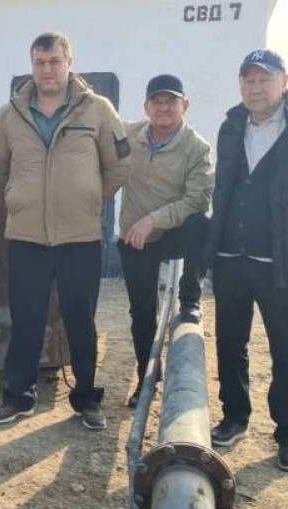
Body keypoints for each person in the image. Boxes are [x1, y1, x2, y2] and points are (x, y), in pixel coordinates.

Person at [203, 49, 288, 473]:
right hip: (231, 259)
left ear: (284, 82)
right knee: (230, 344)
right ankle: (234, 417)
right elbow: (225, 187)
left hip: (282, 264)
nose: (255, 87)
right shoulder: (231, 126)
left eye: (264, 79)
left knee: (287, 350)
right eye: (248, 80)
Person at [0, 33, 130, 430]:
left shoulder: (97, 110)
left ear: (69, 62)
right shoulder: (10, 115)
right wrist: (17, 196)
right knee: (26, 319)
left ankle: (86, 399)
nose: (47, 69)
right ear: (32, 65)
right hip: (27, 238)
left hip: (79, 238)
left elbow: (118, 165)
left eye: (54, 61)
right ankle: (18, 396)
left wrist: (89, 198)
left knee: (80, 319)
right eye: (40, 62)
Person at [118, 74, 214, 407]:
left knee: (201, 224)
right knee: (142, 313)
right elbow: (98, 124)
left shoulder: (197, 148)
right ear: (146, 107)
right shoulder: (130, 135)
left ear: (184, 105)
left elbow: (196, 200)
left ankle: (190, 296)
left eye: (170, 101)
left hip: (173, 233)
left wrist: (154, 220)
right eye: (156, 102)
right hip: (136, 236)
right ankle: (147, 379)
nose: (163, 108)